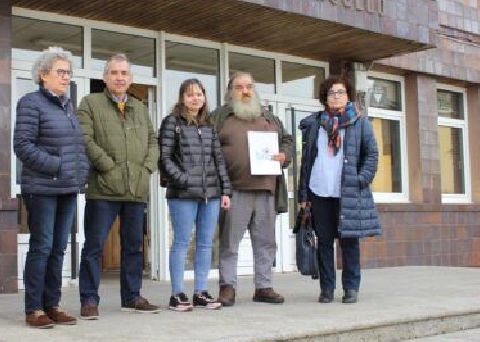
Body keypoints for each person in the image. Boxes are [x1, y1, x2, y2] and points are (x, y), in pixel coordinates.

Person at [77, 53, 160, 319]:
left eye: (124, 73)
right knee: (94, 246)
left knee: (134, 247)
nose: (119, 77)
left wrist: (147, 167)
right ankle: (89, 299)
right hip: (103, 188)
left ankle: (132, 296)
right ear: (105, 77)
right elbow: (85, 138)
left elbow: (154, 141)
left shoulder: (140, 107)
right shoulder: (90, 103)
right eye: (114, 73)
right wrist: (108, 167)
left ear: (131, 78)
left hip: (136, 189)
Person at [13, 47, 89, 329]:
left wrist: (81, 171)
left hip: (67, 188)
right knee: (42, 246)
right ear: (43, 75)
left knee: (59, 248)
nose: (66, 77)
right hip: (42, 189)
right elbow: (22, 146)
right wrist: (57, 166)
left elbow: (76, 147)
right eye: (60, 72)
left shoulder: (68, 106)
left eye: (68, 73)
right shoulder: (30, 103)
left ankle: (52, 305)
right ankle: (33, 309)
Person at [211, 72, 293, 307]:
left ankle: (264, 287)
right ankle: (227, 287)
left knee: (266, 242)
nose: (245, 91)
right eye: (239, 87)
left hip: (266, 190)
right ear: (231, 92)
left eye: (249, 87)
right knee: (229, 243)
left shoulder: (269, 118)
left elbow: (287, 140)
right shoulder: (219, 117)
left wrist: (285, 155)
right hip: (233, 191)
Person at [298, 75, 381, 304]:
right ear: (325, 97)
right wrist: (303, 195)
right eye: (332, 92)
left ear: (348, 96)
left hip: (348, 191)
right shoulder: (315, 124)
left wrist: (361, 179)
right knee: (324, 242)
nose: (336, 96)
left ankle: (351, 288)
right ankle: (326, 289)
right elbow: (306, 161)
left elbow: (371, 154)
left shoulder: (360, 122)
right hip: (320, 190)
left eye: (341, 92)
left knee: (349, 241)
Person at [159, 79, 232, 312]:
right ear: (182, 98)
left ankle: (201, 292)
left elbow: (218, 160)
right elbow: (164, 158)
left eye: (199, 94)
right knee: (181, 242)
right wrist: (182, 180)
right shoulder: (172, 122)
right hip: (182, 194)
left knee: (204, 243)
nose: (195, 98)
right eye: (190, 95)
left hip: (210, 193)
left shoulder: (209, 125)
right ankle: (177, 294)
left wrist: (225, 190)